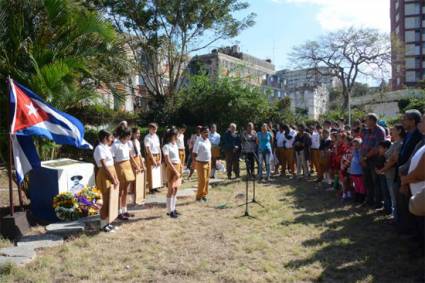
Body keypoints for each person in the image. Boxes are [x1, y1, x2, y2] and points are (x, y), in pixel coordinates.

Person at [396, 110, 423, 235]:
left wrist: (405, 180)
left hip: (413, 179)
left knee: (414, 210)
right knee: (404, 205)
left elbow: (414, 161)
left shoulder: (419, 136)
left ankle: (414, 234)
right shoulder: (408, 135)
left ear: (413, 121)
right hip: (405, 176)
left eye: (405, 119)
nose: (403, 121)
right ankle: (406, 229)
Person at [376, 124, 406, 219]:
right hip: (388, 173)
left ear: (399, 131)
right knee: (391, 194)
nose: (391, 132)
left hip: (393, 173)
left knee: (394, 195)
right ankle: (394, 214)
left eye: (393, 130)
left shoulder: (400, 143)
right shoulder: (396, 143)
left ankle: (396, 216)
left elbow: (393, 160)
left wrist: (382, 170)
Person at [111, 128, 139, 221]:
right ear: (125, 135)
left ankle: (124, 210)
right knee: (120, 191)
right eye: (129, 135)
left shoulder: (127, 143)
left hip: (128, 165)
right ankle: (119, 212)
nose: (130, 137)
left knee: (126, 190)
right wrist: (114, 170)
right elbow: (112, 158)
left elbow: (130, 155)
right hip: (120, 166)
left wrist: (136, 165)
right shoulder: (116, 144)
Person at [93, 130, 119, 232]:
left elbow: (111, 164)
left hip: (111, 173)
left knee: (110, 199)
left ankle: (108, 222)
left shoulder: (106, 147)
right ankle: (103, 225)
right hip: (104, 175)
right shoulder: (99, 148)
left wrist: (115, 177)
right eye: (110, 137)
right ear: (104, 138)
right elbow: (104, 165)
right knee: (104, 200)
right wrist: (112, 178)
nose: (112, 139)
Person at [360, 113, 386, 207]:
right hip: (365, 159)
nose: (365, 122)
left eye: (366, 120)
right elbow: (363, 145)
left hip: (374, 160)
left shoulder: (379, 131)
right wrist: (362, 157)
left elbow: (377, 148)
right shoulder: (367, 131)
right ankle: (369, 200)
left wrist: (366, 157)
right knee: (367, 181)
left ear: (372, 120)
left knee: (376, 182)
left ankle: (377, 202)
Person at [162, 128, 182, 218]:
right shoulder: (166, 146)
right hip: (171, 168)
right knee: (171, 189)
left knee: (176, 189)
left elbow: (177, 157)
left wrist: (180, 167)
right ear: (172, 136)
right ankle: (169, 211)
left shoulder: (175, 145)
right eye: (176, 135)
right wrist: (175, 170)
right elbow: (167, 160)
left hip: (177, 167)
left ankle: (173, 208)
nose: (178, 136)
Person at [193, 126, 211, 202]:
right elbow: (194, 153)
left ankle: (204, 194)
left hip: (208, 162)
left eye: (208, 132)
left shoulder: (208, 140)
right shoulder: (198, 141)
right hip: (200, 163)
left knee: (207, 180)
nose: (207, 133)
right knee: (202, 180)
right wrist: (194, 162)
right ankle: (198, 197)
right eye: (205, 132)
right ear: (201, 133)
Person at [144, 123, 162, 193]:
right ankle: (151, 188)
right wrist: (153, 159)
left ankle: (156, 187)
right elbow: (148, 149)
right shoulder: (147, 137)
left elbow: (159, 147)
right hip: (151, 156)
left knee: (156, 172)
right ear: (150, 129)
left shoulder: (156, 136)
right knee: (151, 172)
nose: (155, 130)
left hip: (157, 155)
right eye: (154, 129)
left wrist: (160, 158)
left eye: (156, 129)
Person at [130, 127, 146, 201]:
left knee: (139, 180)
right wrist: (135, 165)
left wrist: (142, 165)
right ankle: (134, 199)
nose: (139, 135)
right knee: (133, 182)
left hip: (138, 160)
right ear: (132, 134)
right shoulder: (129, 142)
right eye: (137, 133)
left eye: (139, 133)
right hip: (132, 162)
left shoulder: (137, 142)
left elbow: (139, 154)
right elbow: (130, 155)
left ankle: (139, 198)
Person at [376, 140, 392, 214]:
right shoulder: (381, 156)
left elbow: (387, 166)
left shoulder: (388, 156)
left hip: (388, 176)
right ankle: (386, 207)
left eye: (380, 148)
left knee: (388, 193)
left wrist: (381, 171)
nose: (379, 149)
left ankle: (389, 209)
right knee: (384, 192)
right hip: (382, 176)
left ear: (386, 148)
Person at [349, 138, 366, 203]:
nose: (355, 147)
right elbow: (351, 160)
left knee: (361, 185)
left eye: (356, 145)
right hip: (353, 171)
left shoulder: (361, 152)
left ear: (360, 145)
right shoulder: (353, 151)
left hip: (359, 171)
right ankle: (357, 196)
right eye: (354, 145)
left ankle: (361, 198)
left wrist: (358, 153)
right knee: (356, 185)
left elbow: (361, 161)